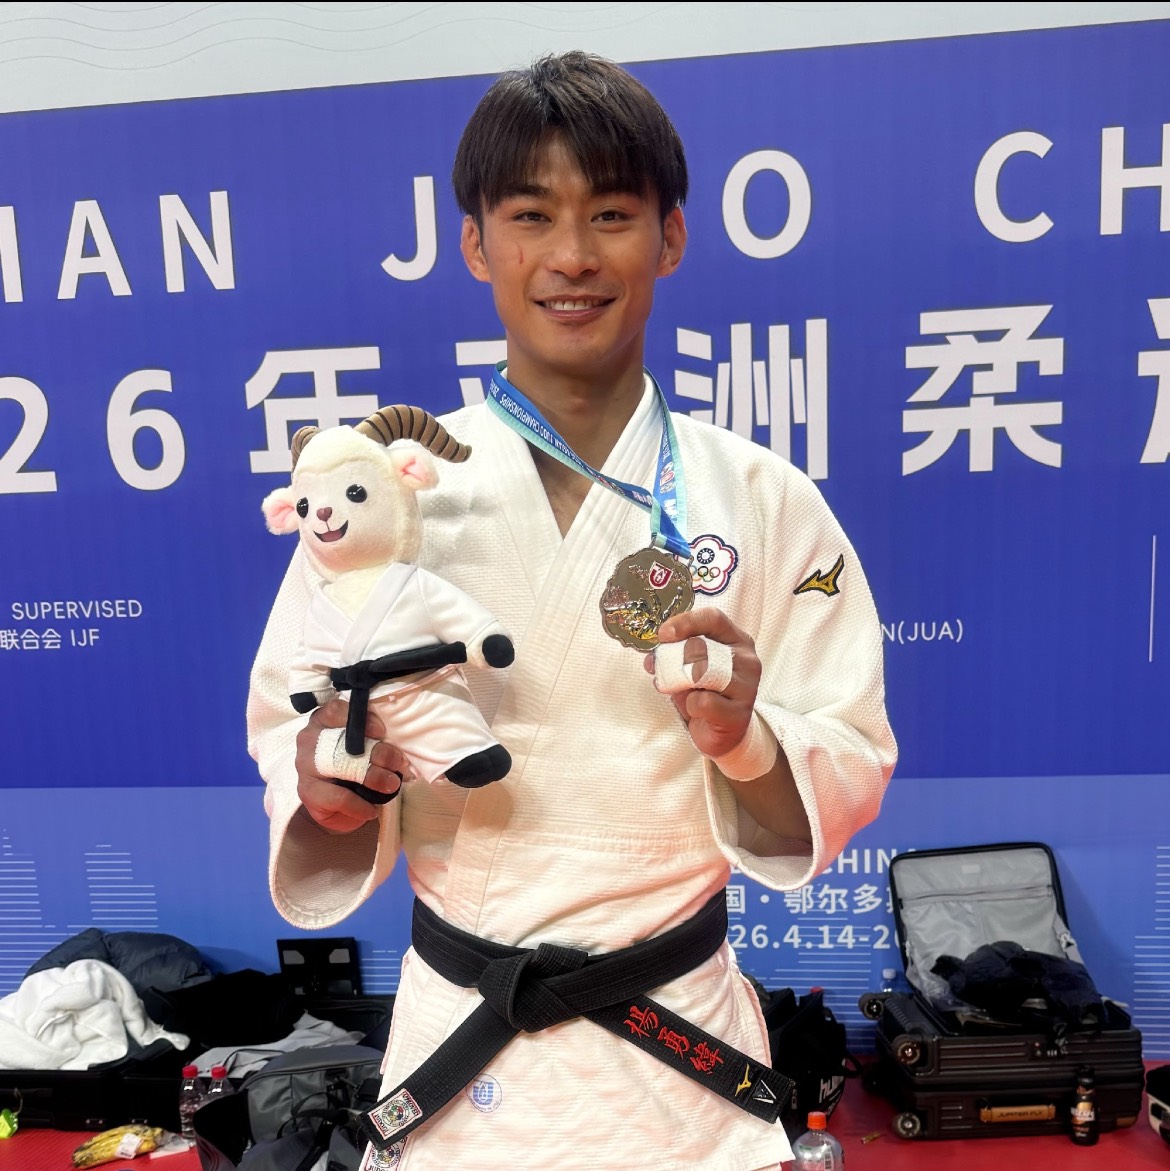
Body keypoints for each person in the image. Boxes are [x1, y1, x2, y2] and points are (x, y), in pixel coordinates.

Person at [247, 50, 896, 1171]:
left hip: (679, 1061)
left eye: (611, 213)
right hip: (464, 1064)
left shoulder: (762, 497)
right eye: (531, 215)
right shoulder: (387, 497)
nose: (572, 256)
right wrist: (325, 790)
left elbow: (850, 749)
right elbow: (292, 735)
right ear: (476, 244)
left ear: (670, 236)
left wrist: (746, 739)